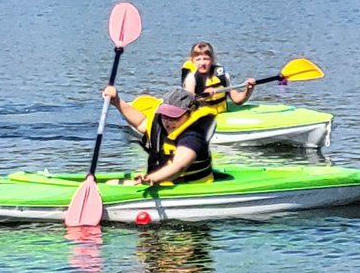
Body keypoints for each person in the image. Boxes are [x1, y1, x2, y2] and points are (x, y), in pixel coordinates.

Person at [100, 42, 252, 187]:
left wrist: (152, 178)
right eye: (166, 115)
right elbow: (141, 123)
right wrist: (117, 101)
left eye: (174, 116)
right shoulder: (164, 123)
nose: (168, 121)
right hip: (161, 182)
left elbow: (179, 165)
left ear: (188, 114)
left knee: (112, 184)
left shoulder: (192, 136)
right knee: (110, 183)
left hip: (185, 186)